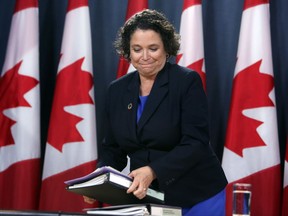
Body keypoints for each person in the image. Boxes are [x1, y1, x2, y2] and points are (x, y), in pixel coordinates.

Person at [85, 9, 227, 215]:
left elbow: (195, 142)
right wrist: (99, 177)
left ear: (166, 49)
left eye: (153, 48)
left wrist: (153, 171)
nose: (144, 57)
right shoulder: (116, 90)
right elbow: (113, 149)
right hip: (149, 196)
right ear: (128, 51)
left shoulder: (186, 82)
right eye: (136, 49)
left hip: (197, 193)